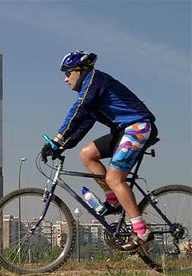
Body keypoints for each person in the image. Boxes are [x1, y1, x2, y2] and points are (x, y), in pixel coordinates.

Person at [41, 50, 158, 251]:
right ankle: (113, 200)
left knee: (115, 178)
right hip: (123, 130)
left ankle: (141, 231)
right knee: (87, 154)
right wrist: (62, 146)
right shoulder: (90, 91)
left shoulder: (94, 82)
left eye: (68, 73)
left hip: (138, 127)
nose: (65, 79)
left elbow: (78, 110)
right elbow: (84, 123)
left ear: (81, 71)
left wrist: (58, 137)